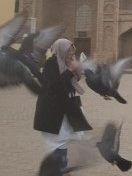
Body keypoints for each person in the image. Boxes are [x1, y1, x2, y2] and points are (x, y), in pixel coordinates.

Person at [33, 38, 92, 173]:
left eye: (72, 49)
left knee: (63, 144)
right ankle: (57, 170)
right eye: (68, 49)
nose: (71, 52)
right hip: (53, 113)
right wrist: (71, 70)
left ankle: (61, 170)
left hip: (65, 111)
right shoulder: (52, 63)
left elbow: (70, 83)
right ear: (61, 50)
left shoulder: (64, 63)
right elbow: (56, 86)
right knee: (57, 145)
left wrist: (76, 70)